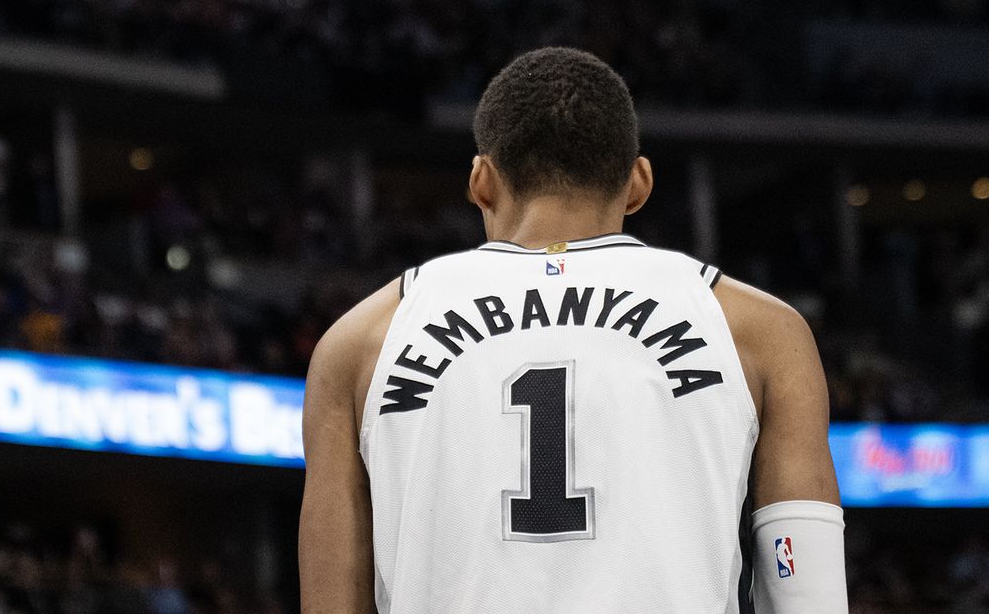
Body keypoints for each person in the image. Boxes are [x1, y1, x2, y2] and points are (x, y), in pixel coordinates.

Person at [301, 47, 845, 614]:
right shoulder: (760, 330)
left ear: (481, 182)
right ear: (639, 183)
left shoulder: (359, 341)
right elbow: (810, 592)